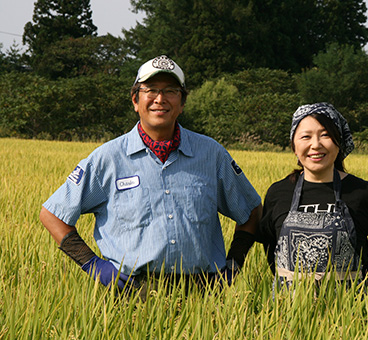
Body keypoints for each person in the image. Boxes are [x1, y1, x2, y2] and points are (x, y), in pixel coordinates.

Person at [39, 55, 262, 298]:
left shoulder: (211, 154)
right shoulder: (109, 158)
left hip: (202, 296)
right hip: (130, 295)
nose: (160, 99)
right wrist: (94, 265)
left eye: (171, 91)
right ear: (135, 100)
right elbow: (53, 214)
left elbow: (251, 210)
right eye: (151, 90)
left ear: (182, 102)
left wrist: (233, 265)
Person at [257, 102, 368, 289]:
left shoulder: (363, 193)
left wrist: (364, 278)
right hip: (287, 311)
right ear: (294, 145)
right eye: (305, 136)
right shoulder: (278, 193)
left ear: (339, 143)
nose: (315, 145)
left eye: (325, 135)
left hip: (349, 311)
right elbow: (270, 244)